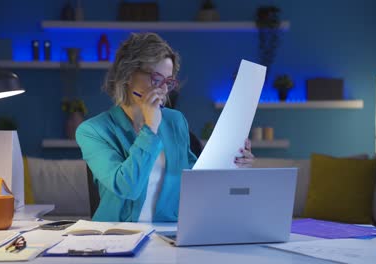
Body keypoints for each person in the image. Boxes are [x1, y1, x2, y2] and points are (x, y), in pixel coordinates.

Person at [76, 33, 254, 222]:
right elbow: (128, 187)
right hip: (118, 236)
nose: (162, 89)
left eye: (168, 82)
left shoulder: (175, 121)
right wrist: (150, 128)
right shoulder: (92, 131)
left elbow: (196, 180)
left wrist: (233, 163)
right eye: (155, 78)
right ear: (127, 74)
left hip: (168, 233)